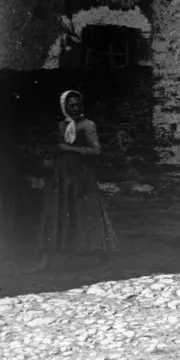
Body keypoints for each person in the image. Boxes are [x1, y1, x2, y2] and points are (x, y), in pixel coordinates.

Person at [34, 90, 119, 270]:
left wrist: (70, 149)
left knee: (85, 211)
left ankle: (92, 253)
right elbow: (56, 147)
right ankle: (61, 255)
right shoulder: (61, 125)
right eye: (71, 105)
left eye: (78, 105)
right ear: (64, 107)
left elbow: (96, 150)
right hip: (62, 174)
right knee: (61, 210)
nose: (76, 108)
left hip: (81, 173)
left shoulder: (88, 125)